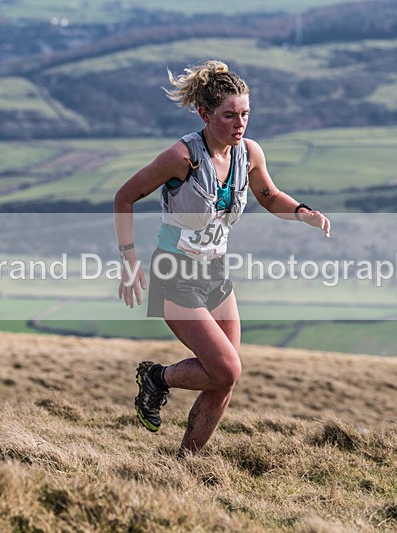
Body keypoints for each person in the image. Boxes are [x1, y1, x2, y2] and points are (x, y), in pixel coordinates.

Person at [113, 60, 330, 455]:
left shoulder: (248, 153)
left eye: (245, 114)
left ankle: (187, 465)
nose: (239, 123)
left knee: (224, 379)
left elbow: (268, 196)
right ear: (205, 114)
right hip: (175, 272)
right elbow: (124, 196)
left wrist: (302, 212)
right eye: (229, 115)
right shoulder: (182, 156)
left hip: (216, 272)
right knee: (227, 367)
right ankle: (157, 378)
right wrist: (129, 261)